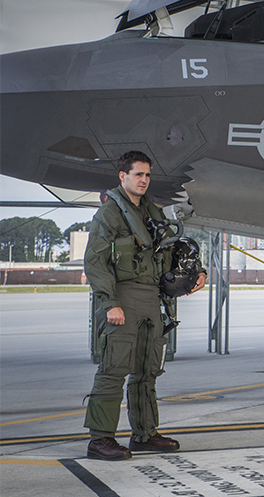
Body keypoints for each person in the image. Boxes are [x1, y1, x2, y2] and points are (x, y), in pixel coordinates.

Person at [83, 151, 206, 461]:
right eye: (138, 174)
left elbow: (175, 246)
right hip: (122, 298)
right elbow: (94, 262)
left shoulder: (152, 211)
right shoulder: (109, 215)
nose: (143, 180)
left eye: (147, 175)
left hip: (152, 300)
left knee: (147, 371)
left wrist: (198, 270)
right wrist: (110, 302)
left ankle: (145, 434)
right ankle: (100, 439)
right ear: (122, 176)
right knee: (114, 369)